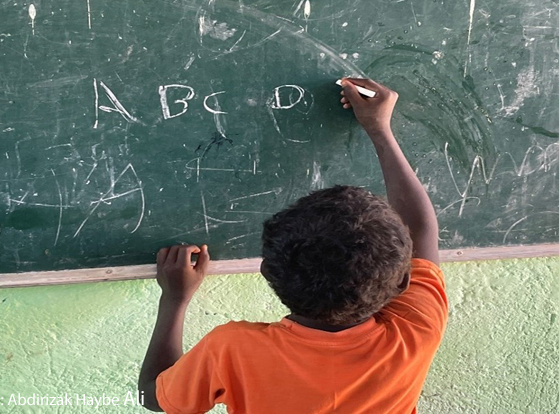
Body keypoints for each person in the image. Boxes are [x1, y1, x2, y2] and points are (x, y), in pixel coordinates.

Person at [139, 78, 447, 413]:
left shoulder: (234, 349)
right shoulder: (415, 331)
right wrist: (380, 129)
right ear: (404, 281)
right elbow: (420, 230)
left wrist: (175, 299)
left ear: (267, 270)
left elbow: (153, 398)